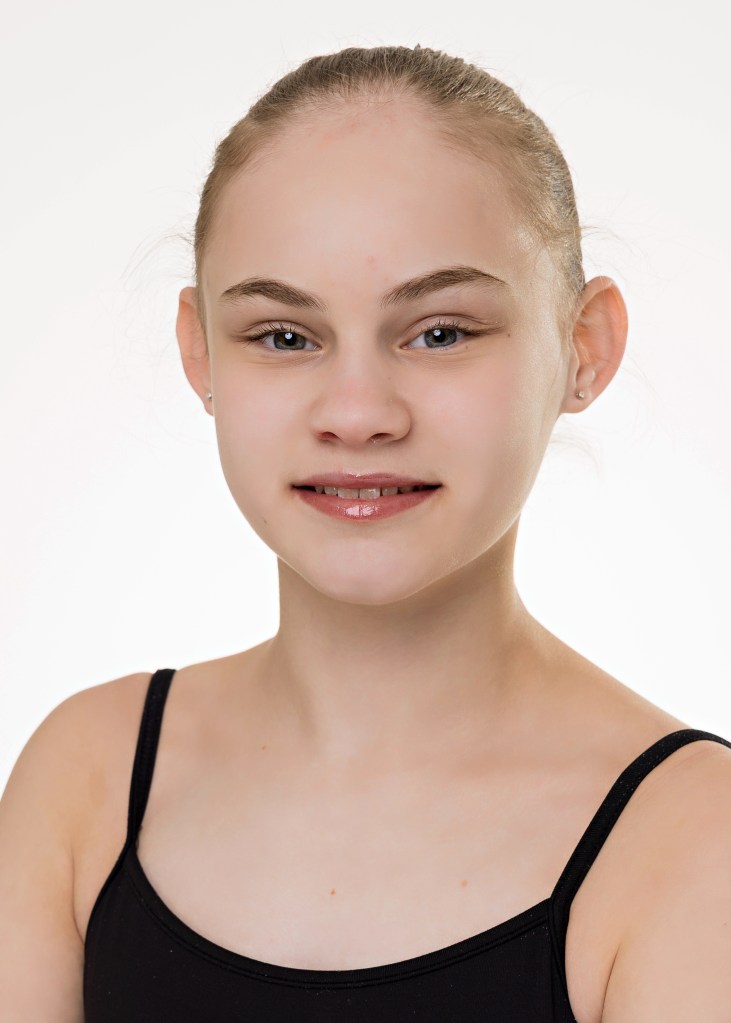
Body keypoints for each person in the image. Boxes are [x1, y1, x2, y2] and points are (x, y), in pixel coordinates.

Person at [1, 43, 730, 1023]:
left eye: (438, 332)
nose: (355, 412)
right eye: (284, 337)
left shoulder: (691, 839)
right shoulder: (83, 776)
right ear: (199, 350)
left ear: (582, 349)